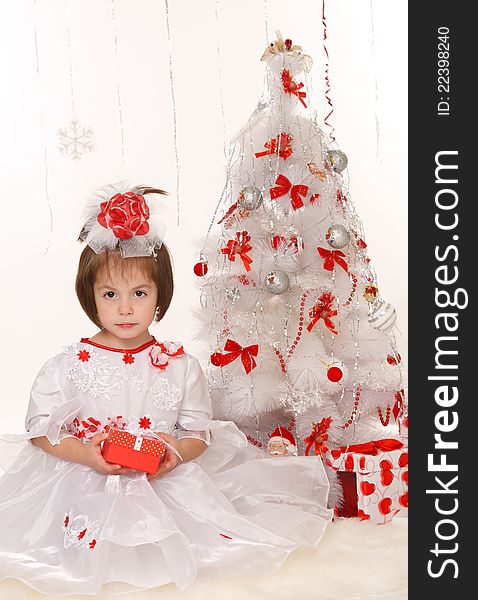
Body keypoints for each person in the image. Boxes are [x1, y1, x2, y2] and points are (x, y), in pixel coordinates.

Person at [0, 182, 332, 595]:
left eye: (139, 293)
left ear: (160, 294)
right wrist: (86, 453)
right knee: (65, 538)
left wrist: (174, 452)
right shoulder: (67, 364)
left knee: (206, 530)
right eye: (110, 294)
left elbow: (197, 433)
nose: (125, 307)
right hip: (83, 475)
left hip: (158, 476)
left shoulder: (178, 365)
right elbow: (42, 430)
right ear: (91, 295)